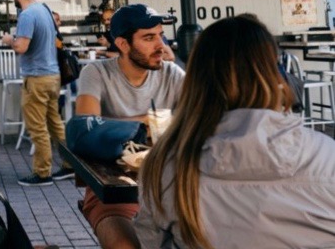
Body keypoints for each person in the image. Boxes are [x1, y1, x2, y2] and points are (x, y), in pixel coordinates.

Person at [136, 15, 335, 248]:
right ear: (275, 77)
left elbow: (147, 243)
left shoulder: (165, 167)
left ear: (196, 82)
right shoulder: (327, 156)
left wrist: (108, 220)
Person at [74, 3, 185, 249]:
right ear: (123, 45)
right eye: (149, 38)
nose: (161, 45)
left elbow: (202, 116)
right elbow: (85, 123)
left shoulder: (172, 74)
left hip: (168, 185)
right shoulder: (97, 73)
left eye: (160, 35)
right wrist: (147, 121)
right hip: (112, 190)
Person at [2, 0, 73, 187]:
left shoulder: (27, 15)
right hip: (53, 76)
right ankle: (70, 165)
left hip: (36, 78)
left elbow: (21, 47)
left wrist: (9, 40)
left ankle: (42, 173)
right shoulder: (45, 10)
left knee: (38, 127)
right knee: (55, 124)